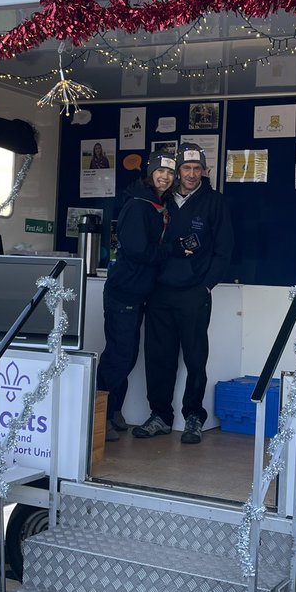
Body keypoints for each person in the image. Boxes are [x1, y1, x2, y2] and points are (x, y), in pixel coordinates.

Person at [134, 142, 233, 445]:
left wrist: (206, 285)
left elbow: (224, 248)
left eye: (196, 169)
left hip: (194, 292)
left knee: (194, 357)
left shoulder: (214, 202)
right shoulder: (160, 200)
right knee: (158, 357)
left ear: (205, 171)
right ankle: (160, 416)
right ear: (177, 172)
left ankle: (193, 416)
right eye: (185, 169)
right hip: (160, 292)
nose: (191, 174)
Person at [95, 151, 175, 441]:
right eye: (160, 171)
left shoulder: (158, 204)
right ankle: (96, 416)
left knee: (126, 355)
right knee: (119, 355)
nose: (165, 177)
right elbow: (139, 249)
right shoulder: (139, 205)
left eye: (170, 173)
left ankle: (113, 410)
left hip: (139, 292)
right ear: (150, 173)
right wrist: (171, 250)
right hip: (124, 291)